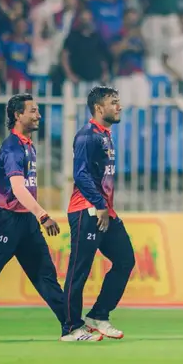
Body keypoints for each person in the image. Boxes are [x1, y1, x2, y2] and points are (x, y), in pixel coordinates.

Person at [0, 94, 89, 341]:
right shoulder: (12, 147)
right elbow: (18, 189)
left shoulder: (28, 145)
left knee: (45, 275)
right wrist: (43, 215)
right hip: (8, 220)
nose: (39, 115)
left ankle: (70, 326)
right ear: (18, 115)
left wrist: (34, 215)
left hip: (25, 220)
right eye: (33, 111)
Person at [62, 86, 135, 342]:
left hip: (105, 212)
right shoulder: (87, 136)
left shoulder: (105, 135)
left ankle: (99, 314)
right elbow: (80, 174)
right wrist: (99, 205)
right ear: (98, 108)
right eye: (114, 102)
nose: (119, 106)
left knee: (125, 260)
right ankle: (71, 327)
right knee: (78, 270)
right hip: (87, 210)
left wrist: (106, 208)